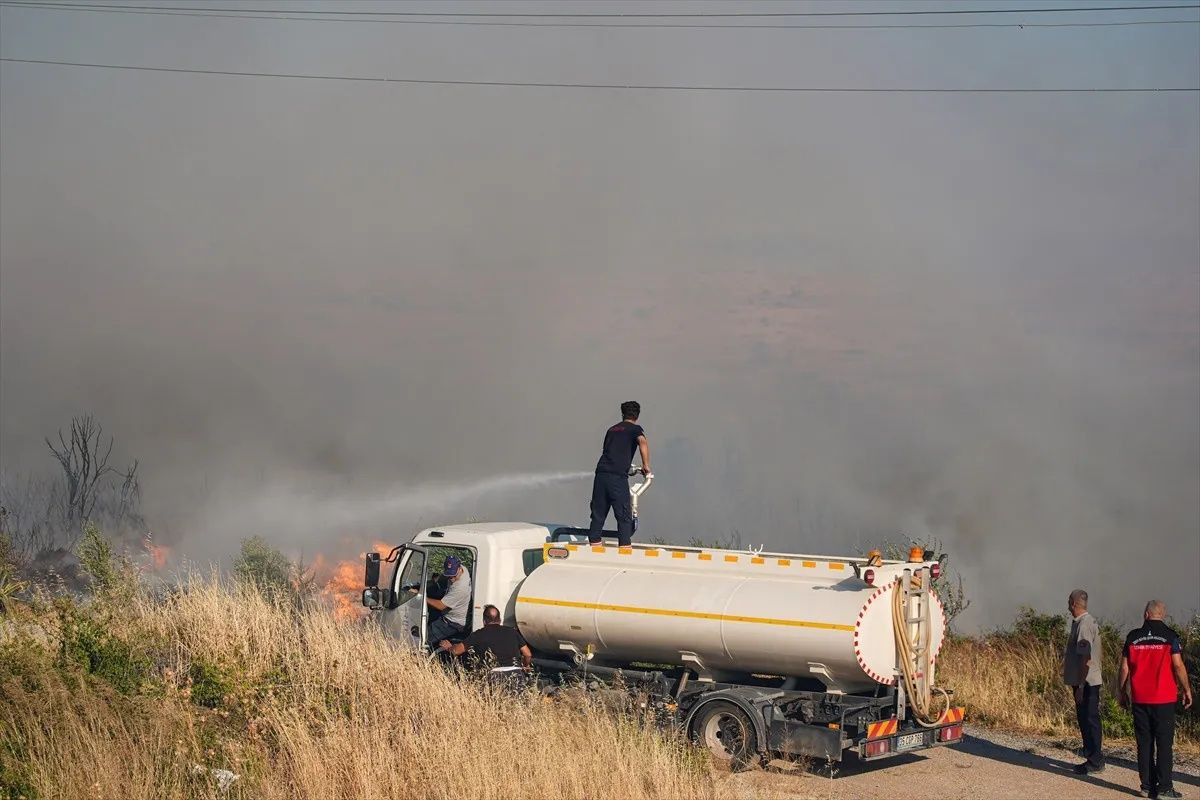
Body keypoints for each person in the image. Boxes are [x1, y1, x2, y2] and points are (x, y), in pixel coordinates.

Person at [1119, 600, 1194, 799]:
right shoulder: (1170, 637)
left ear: (1146, 615)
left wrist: (1121, 691)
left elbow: (1125, 667)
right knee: (1163, 744)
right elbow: (1178, 666)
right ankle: (1165, 788)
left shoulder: (1133, 637)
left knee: (1144, 743)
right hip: (1164, 699)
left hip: (1140, 698)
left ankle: (1146, 786)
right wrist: (1187, 689)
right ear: (1163, 615)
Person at [587, 401, 650, 547]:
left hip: (601, 474)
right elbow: (643, 443)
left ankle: (594, 548)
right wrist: (646, 466)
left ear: (622, 414)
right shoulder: (635, 429)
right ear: (637, 415)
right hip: (617, 478)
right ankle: (625, 552)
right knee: (624, 517)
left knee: (598, 515)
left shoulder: (612, 430)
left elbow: (610, 453)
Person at [1062, 588, 1104, 775]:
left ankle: (1095, 760)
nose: (1068, 606)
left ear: (1074, 603)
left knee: (1089, 719)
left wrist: (1079, 686)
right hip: (1085, 681)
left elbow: (1084, 656)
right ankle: (1092, 758)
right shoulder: (1081, 622)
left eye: (1069, 601)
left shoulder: (1084, 624)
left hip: (1086, 683)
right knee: (1087, 719)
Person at [439, 604, 532, 672]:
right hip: (516, 674)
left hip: (494, 675)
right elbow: (527, 654)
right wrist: (525, 666)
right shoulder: (512, 632)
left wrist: (449, 647)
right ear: (499, 620)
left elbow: (457, 651)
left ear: (484, 621)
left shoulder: (478, 635)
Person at [425, 556, 471, 645]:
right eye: (448, 575)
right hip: (450, 615)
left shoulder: (460, 588)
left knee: (424, 638)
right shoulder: (463, 569)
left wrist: (422, 597)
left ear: (459, 568)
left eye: (453, 575)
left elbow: (441, 606)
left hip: (452, 622)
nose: (451, 578)